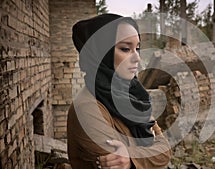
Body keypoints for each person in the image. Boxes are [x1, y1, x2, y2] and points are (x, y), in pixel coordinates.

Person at [67, 13, 171, 169]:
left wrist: (130, 157)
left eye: (137, 48)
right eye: (125, 48)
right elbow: (116, 161)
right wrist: (145, 154)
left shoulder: (134, 96)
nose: (137, 58)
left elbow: (165, 151)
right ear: (101, 53)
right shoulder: (87, 107)